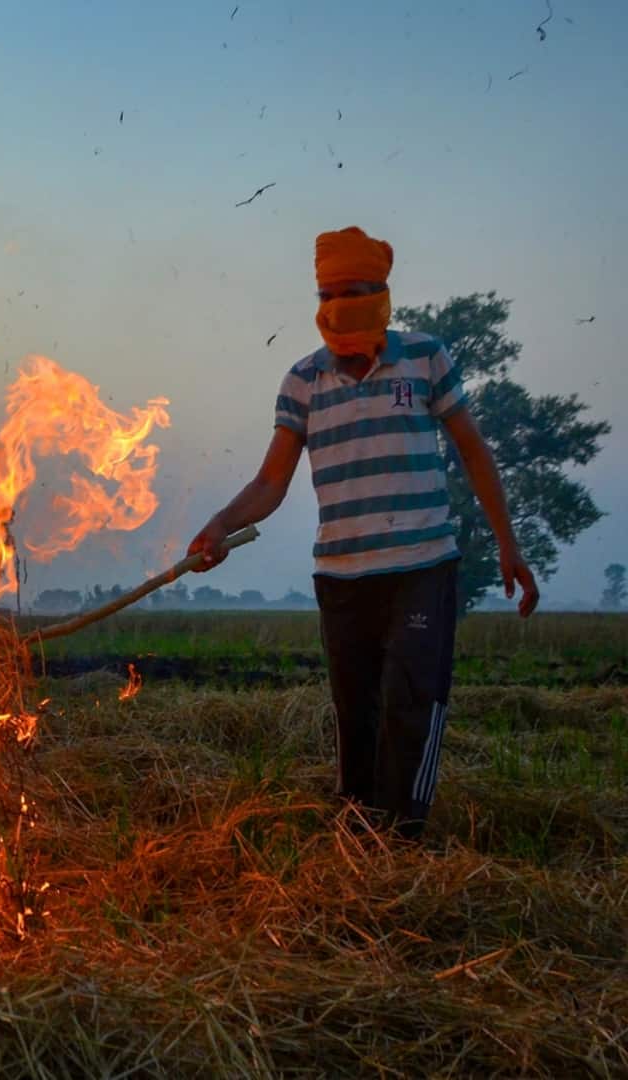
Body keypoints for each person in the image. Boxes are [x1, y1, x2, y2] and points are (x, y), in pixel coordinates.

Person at [187, 226, 538, 838]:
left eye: (355, 292)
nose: (340, 308)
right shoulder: (304, 381)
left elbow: (474, 452)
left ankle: (404, 838)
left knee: (411, 699)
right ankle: (358, 833)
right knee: (357, 713)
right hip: (343, 578)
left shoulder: (425, 357)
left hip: (422, 569)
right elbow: (271, 484)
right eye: (330, 294)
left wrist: (508, 542)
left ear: (382, 296)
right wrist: (218, 526)